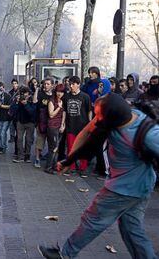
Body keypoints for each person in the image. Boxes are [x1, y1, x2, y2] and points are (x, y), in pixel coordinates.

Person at [39, 93, 158, 259]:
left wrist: (68, 161)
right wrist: (69, 160)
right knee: (132, 228)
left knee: (92, 219)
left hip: (123, 189)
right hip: (138, 188)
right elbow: (87, 136)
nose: (97, 117)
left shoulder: (149, 134)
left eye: (99, 114)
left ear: (110, 117)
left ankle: (65, 255)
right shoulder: (117, 116)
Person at [64, 76, 92, 177]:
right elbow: (64, 111)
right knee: (71, 148)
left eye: (73, 84)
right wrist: (63, 123)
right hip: (70, 126)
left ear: (78, 84)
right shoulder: (66, 96)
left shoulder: (85, 97)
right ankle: (71, 167)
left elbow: (89, 111)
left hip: (83, 127)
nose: (71, 86)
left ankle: (83, 168)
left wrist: (90, 124)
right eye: (70, 84)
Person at [44, 84, 65, 174]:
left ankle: (53, 166)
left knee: (56, 148)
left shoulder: (63, 101)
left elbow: (64, 113)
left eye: (61, 92)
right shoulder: (51, 101)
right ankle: (48, 167)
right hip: (52, 126)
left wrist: (63, 124)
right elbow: (51, 114)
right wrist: (59, 107)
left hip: (59, 126)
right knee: (53, 147)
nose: (59, 94)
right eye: (58, 91)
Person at [12, 87, 37, 163]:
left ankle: (27, 156)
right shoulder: (19, 100)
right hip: (20, 122)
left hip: (30, 122)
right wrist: (16, 102)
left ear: (29, 94)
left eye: (25, 93)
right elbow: (14, 110)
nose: (24, 95)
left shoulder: (33, 100)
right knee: (19, 139)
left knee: (28, 139)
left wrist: (26, 104)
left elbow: (32, 112)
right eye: (22, 93)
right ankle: (20, 156)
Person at [34, 77, 54, 168]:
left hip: (52, 123)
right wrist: (37, 90)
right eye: (45, 84)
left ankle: (50, 161)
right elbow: (34, 101)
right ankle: (37, 158)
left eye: (48, 84)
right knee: (40, 141)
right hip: (41, 122)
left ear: (52, 85)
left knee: (51, 143)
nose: (46, 86)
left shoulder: (54, 95)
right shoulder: (41, 94)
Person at [0, 82, 12, 154]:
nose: (0, 90)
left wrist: (1, 106)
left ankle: (3, 147)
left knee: (2, 133)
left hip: (7, 117)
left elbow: (10, 106)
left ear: (4, 88)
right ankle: (3, 146)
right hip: (0, 117)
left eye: (1, 88)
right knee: (1, 133)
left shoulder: (8, 96)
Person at [8, 78, 19, 143]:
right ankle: (12, 137)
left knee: (17, 126)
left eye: (15, 83)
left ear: (17, 84)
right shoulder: (10, 92)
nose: (14, 85)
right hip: (12, 110)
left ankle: (17, 137)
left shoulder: (20, 91)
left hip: (18, 110)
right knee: (11, 125)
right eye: (13, 84)